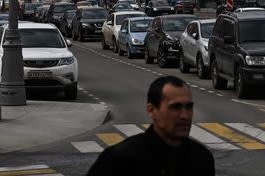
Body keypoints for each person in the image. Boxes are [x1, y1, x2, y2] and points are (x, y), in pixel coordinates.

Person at [86, 75, 214, 175]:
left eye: (189, 107)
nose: (184, 116)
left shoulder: (201, 158)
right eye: (175, 107)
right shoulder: (119, 160)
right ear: (152, 111)